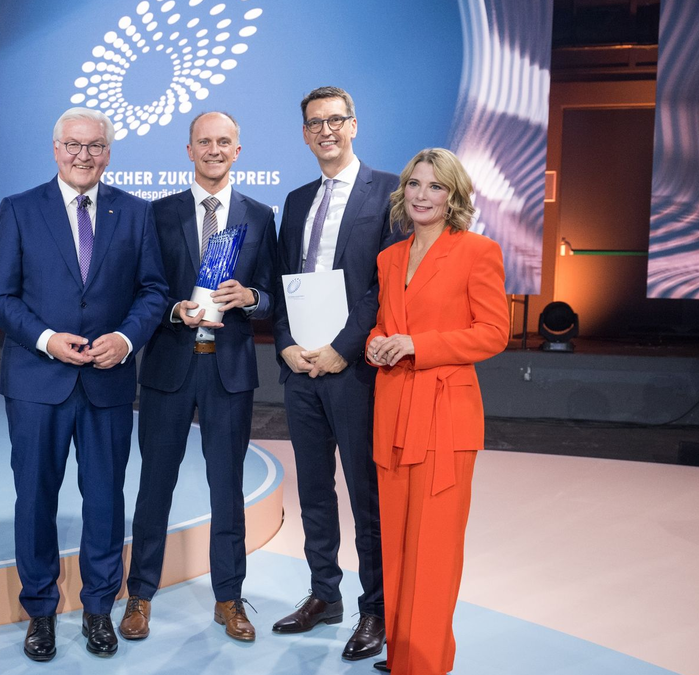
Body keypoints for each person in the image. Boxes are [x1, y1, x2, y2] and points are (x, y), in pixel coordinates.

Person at [0, 107, 168, 661]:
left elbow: (154, 291)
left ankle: (97, 611)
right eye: (73, 145)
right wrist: (44, 339)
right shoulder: (18, 209)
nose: (83, 155)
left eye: (95, 146)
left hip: (108, 384)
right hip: (39, 383)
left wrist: (127, 339)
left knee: (106, 502)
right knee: (35, 500)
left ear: (108, 152)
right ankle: (40, 612)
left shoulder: (135, 213)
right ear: (55, 148)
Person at [120, 111, 278, 642]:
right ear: (188, 150)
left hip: (228, 369)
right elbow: (141, 289)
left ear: (239, 150)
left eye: (224, 142)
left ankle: (229, 599)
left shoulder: (259, 216)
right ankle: (139, 596)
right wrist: (172, 310)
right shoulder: (155, 214)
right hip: (169, 365)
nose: (214, 150)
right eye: (204, 141)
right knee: (154, 486)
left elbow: (274, 293)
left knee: (226, 489)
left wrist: (251, 297)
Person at [365, 148, 509, 674]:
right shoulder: (389, 258)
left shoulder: (477, 251)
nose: (423, 196)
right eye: (415, 185)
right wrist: (378, 343)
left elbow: (494, 333)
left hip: (445, 418)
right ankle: (402, 652)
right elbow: (385, 324)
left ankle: (424, 661)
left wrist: (415, 346)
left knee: (435, 548)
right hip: (393, 411)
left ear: (454, 198)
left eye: (436, 187)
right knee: (398, 543)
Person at [270, 86, 402, 662]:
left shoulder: (391, 191)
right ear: (304, 133)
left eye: (335, 120)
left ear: (354, 124)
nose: (325, 130)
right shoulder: (297, 200)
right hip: (301, 370)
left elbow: (385, 286)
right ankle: (326, 595)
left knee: (364, 493)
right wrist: (285, 347)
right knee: (315, 493)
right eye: (314, 123)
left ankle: (375, 607)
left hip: (353, 371)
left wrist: (345, 349)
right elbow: (282, 283)